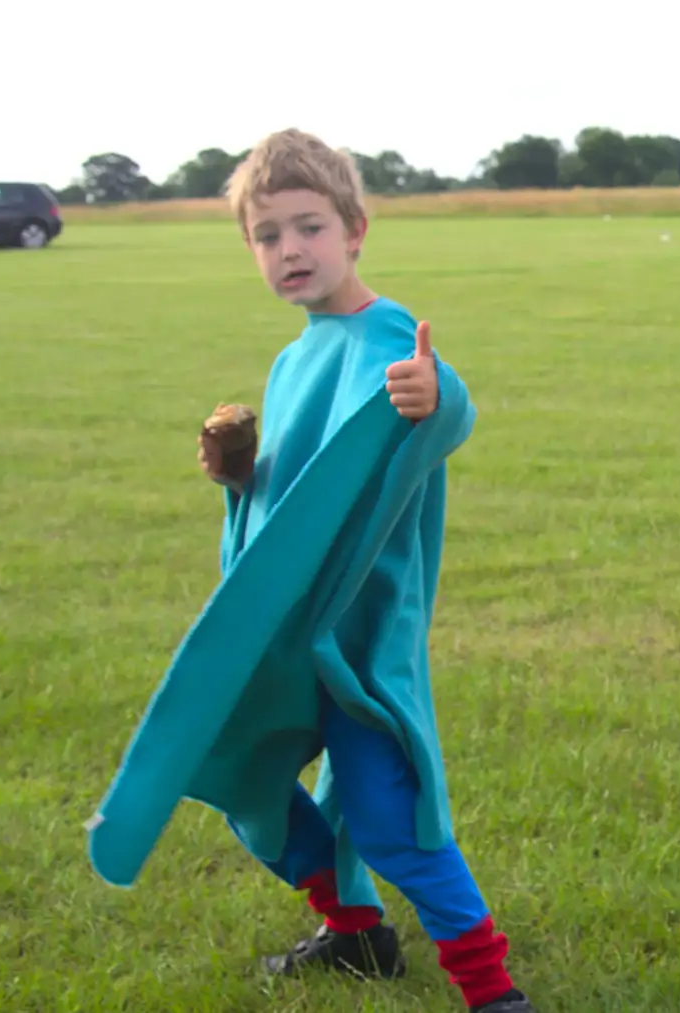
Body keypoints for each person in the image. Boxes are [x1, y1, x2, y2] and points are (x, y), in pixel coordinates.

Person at [194, 128, 536, 1012]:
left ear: (355, 230)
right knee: (244, 782)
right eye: (268, 236)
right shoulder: (294, 354)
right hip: (284, 633)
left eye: (308, 227)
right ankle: (355, 934)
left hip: (358, 638)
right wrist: (240, 478)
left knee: (390, 815)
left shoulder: (386, 334)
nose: (290, 250)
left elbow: (441, 402)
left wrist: (431, 394)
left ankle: (494, 993)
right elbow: (291, 501)